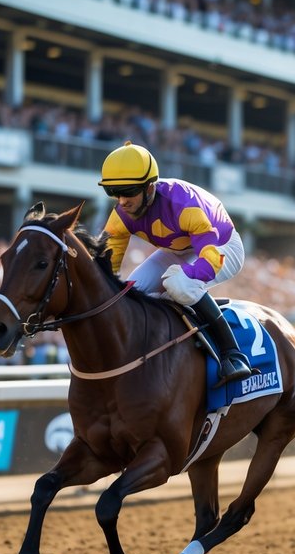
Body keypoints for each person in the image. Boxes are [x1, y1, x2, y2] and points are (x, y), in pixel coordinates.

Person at [98, 141, 253, 385]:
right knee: (129, 293)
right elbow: (105, 269)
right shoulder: (121, 216)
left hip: (221, 246)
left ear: (149, 189)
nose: (122, 201)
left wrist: (185, 279)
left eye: (128, 192)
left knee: (178, 283)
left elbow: (210, 260)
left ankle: (232, 353)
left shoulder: (184, 205)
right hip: (178, 249)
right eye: (114, 193)